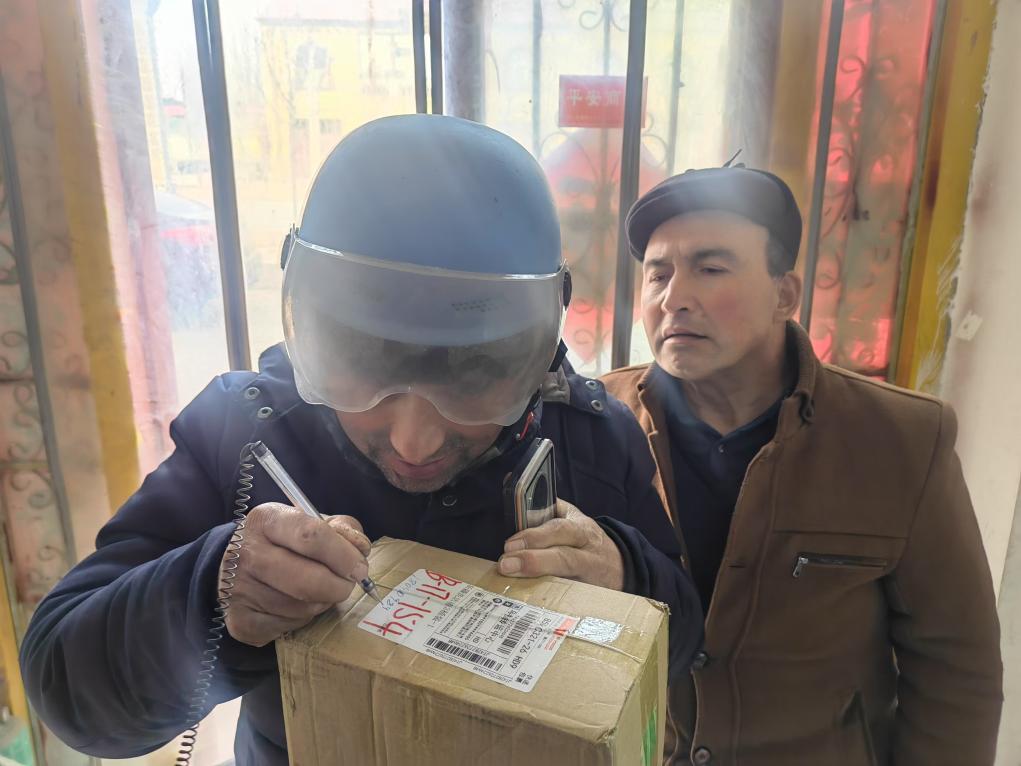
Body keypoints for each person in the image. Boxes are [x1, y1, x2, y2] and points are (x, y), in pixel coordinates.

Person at [18, 115, 702, 765]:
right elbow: (66, 687)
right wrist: (210, 591)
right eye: (368, 375)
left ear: (532, 346)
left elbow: (684, 640)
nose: (413, 441)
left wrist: (624, 574)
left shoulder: (589, 438)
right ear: (320, 335)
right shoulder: (249, 435)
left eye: (471, 381)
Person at [601, 167, 1003, 766]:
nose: (673, 298)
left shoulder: (902, 440)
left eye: (711, 269)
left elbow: (955, 667)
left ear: (785, 295)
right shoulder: (601, 422)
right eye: (658, 274)